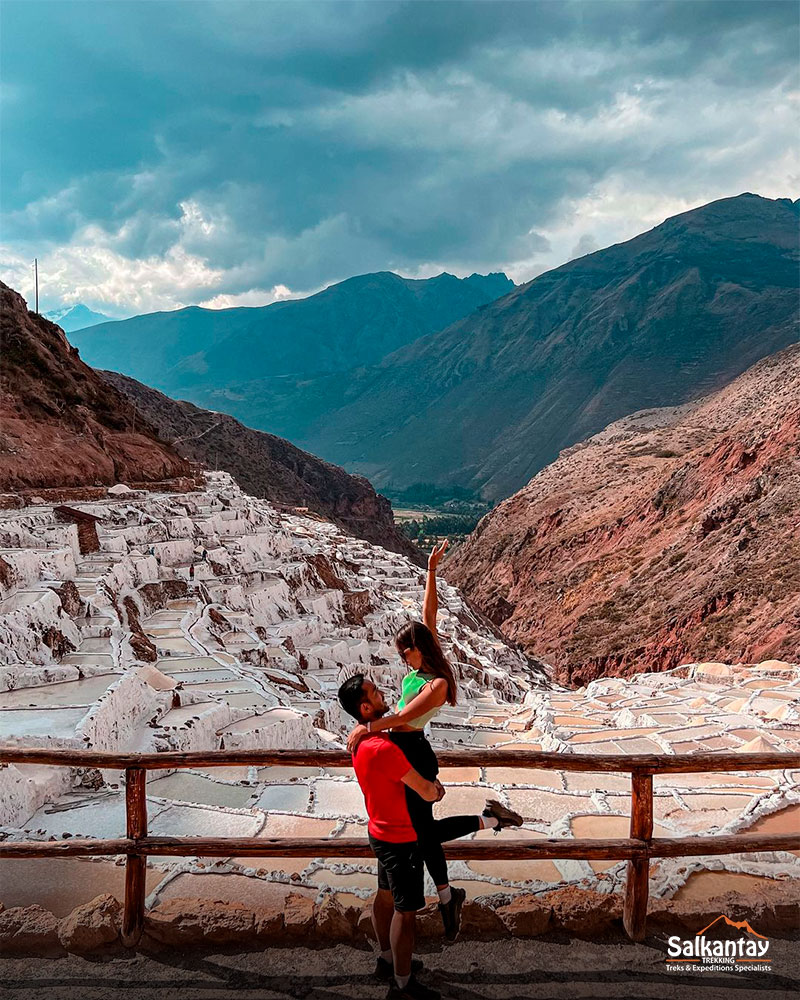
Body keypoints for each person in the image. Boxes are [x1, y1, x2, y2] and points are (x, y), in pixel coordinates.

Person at [347, 540, 522, 941]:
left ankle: (449, 895)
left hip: (416, 752)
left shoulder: (439, 684)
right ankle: (450, 893)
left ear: (415, 652)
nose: (401, 659)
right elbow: (430, 614)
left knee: (422, 833)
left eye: (403, 653)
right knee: (422, 832)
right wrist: (430, 571)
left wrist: (368, 727)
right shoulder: (427, 659)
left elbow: (407, 716)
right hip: (400, 749)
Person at [338, 673, 442, 1000]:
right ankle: (403, 984)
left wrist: (371, 727)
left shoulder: (360, 742)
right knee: (406, 911)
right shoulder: (384, 749)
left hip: (378, 833)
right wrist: (437, 791)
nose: (384, 693)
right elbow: (425, 791)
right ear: (366, 707)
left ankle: (387, 958)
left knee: (385, 896)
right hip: (401, 838)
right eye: (376, 693)